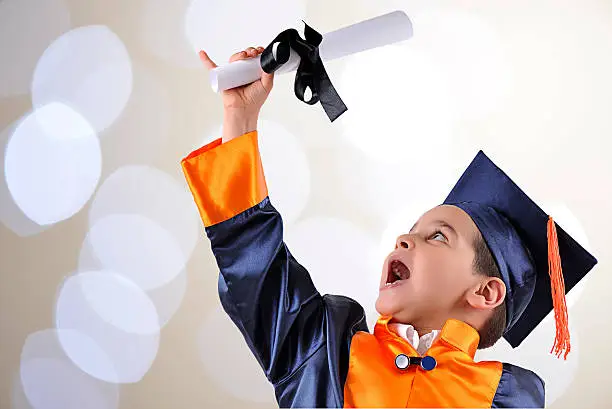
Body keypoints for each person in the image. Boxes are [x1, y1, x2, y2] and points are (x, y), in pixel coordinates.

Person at [183, 47, 598, 408]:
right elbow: (256, 268)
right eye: (412, 230)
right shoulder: (325, 351)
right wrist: (240, 117)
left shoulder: (502, 398)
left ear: (485, 292)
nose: (404, 238)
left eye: (437, 236)